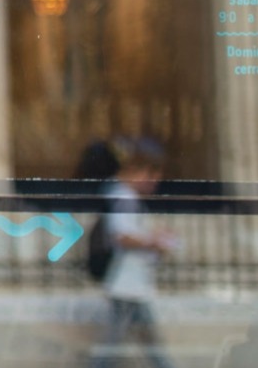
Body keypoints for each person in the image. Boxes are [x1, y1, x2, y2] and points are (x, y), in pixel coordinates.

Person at [90, 137, 177, 368]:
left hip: (132, 282)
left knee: (137, 341)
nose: (155, 183)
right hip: (126, 280)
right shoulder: (123, 197)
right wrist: (154, 241)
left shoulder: (122, 196)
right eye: (152, 176)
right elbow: (121, 236)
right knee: (116, 344)